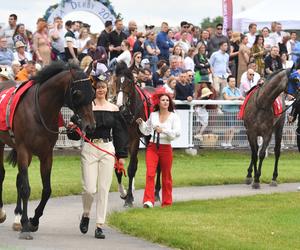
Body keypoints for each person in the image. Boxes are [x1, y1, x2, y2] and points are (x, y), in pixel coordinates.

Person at [75, 73, 128, 239]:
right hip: (90, 147)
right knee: (90, 189)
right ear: (94, 89)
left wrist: (121, 155)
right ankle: (86, 213)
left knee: (104, 189)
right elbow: (77, 130)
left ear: (107, 89)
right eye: (98, 87)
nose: (101, 90)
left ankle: (99, 225)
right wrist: (72, 128)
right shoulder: (87, 107)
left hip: (107, 148)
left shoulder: (113, 109)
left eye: (103, 87)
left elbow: (120, 133)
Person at [136, 90, 181, 208]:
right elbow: (147, 131)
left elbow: (176, 134)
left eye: (167, 100)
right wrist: (141, 124)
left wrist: (163, 130)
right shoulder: (153, 115)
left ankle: (167, 202)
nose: (165, 102)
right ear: (158, 102)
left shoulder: (174, 117)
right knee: (150, 174)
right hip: (152, 147)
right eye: (163, 100)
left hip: (166, 148)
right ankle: (148, 200)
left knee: (166, 175)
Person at [221, 75, 244, 148]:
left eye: (234, 81)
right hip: (227, 110)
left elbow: (242, 98)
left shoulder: (237, 90)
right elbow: (226, 98)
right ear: (228, 82)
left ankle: (229, 143)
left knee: (233, 127)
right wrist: (237, 98)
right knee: (229, 127)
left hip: (236, 111)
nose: (233, 83)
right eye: (231, 81)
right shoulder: (225, 89)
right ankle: (225, 142)